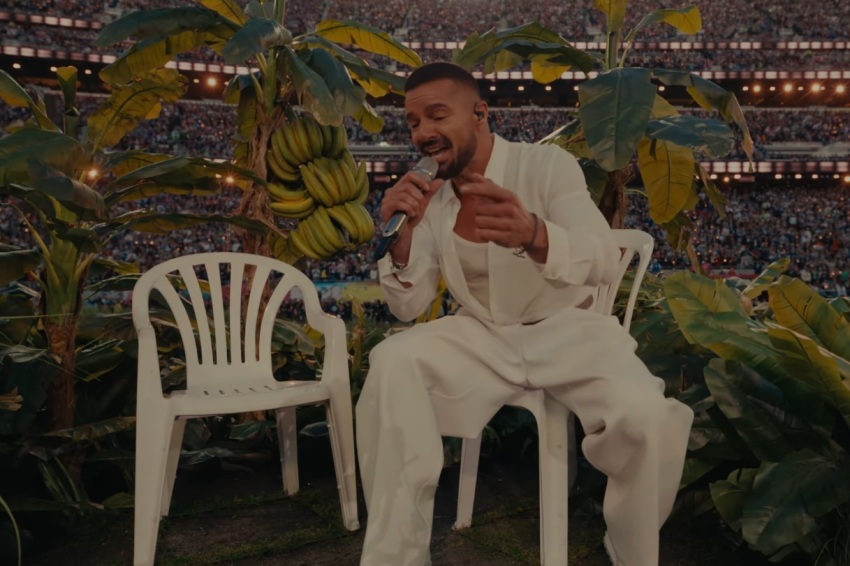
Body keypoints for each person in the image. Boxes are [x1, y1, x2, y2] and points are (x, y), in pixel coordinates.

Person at [355, 62, 694, 566]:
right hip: (482, 337)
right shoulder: (430, 199)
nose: (423, 133)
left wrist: (535, 234)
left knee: (651, 419)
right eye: (412, 122)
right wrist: (401, 239)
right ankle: (395, 558)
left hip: (570, 332)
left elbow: (602, 258)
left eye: (436, 116)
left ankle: (629, 548)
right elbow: (409, 306)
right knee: (391, 363)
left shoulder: (546, 167)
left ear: (480, 113)